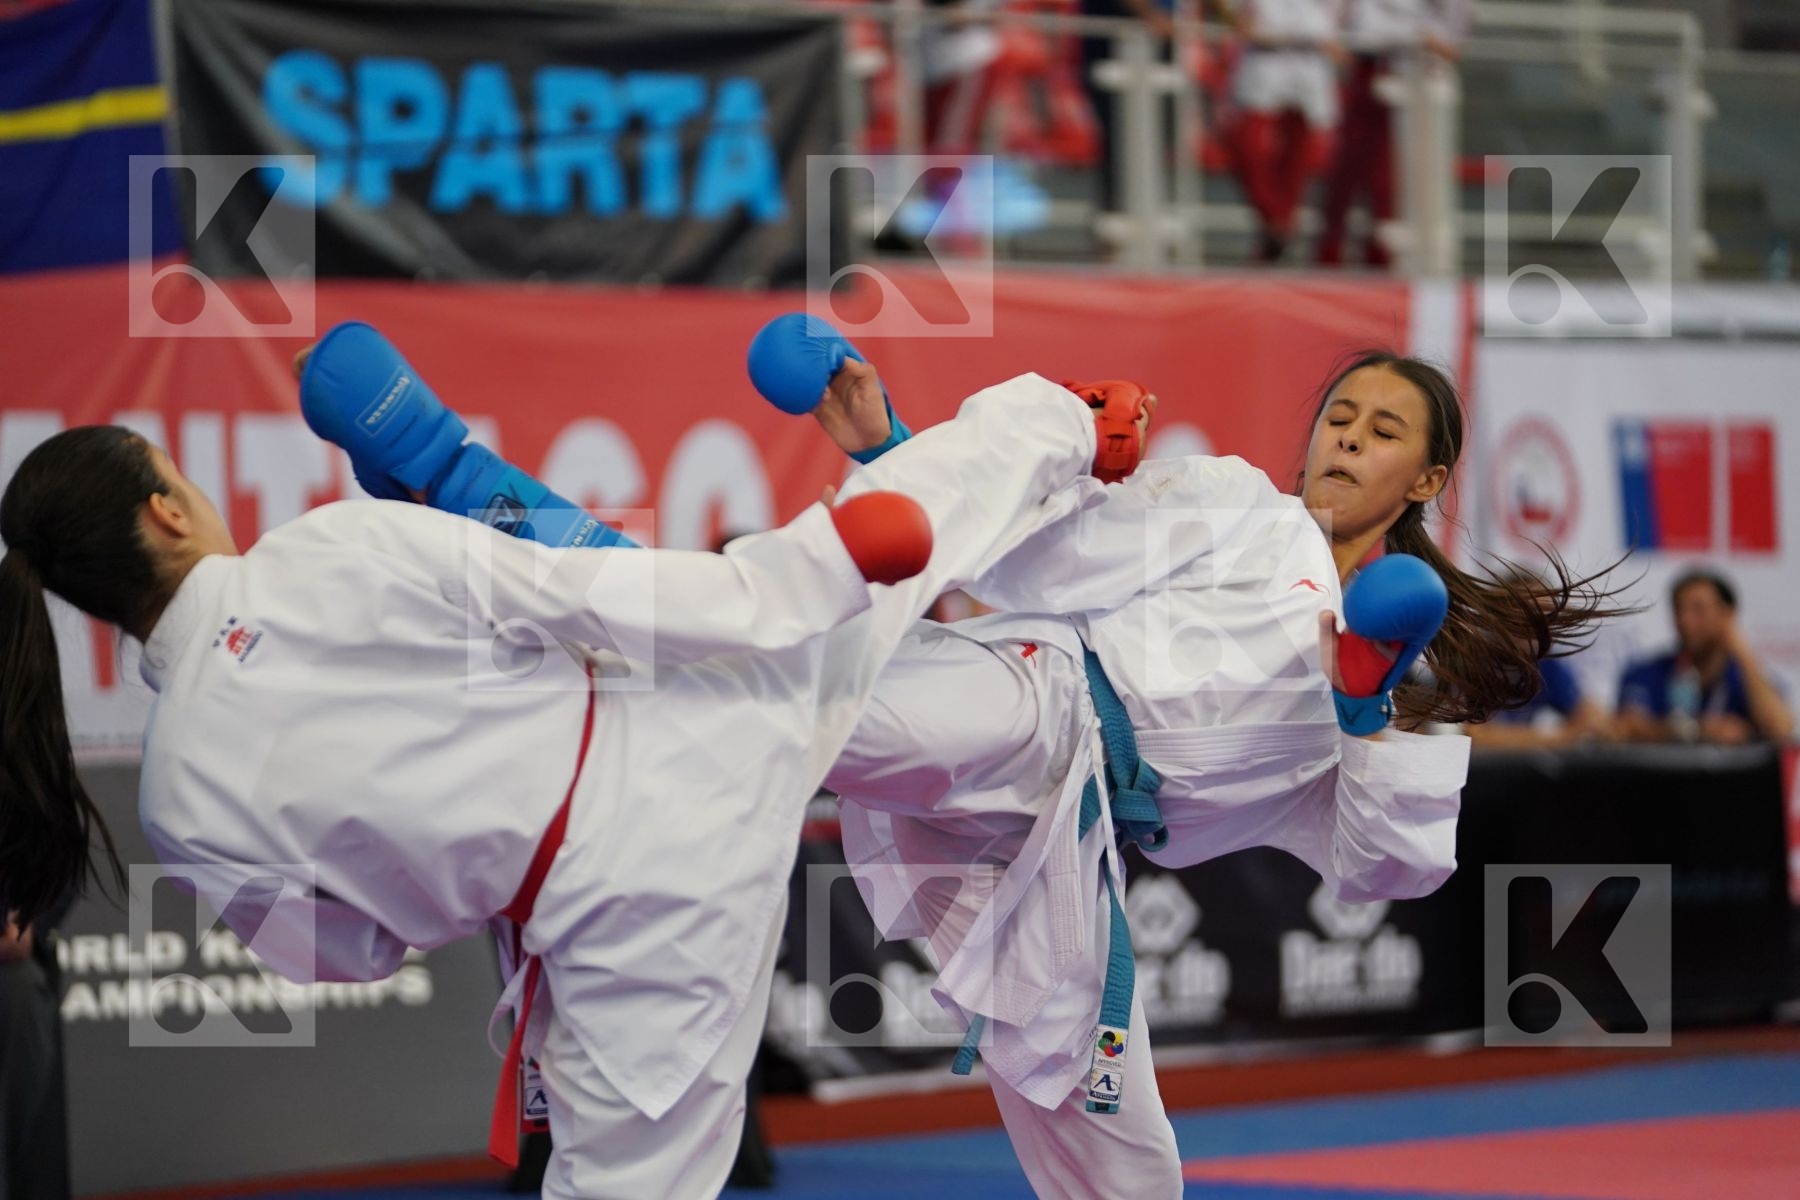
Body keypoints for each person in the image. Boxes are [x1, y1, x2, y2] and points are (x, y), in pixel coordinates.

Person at [344, 316, 1625, 1198]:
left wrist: (1366, 704)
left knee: (1129, 1170)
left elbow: (1390, 869)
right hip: (1033, 704)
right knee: (762, 675)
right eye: (1338, 414)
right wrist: (886, 443)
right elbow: (1040, 559)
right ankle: (477, 491)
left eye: (1381, 428)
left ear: (1430, 472)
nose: (1344, 437)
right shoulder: (1239, 504)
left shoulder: (1423, 653)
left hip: (1062, 872)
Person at [0, 343, 1139, 1199]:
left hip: (610, 930)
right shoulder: (317, 553)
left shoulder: (178, 793)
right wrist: (790, 584)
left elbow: (352, 952)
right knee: (894, 543)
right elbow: (569, 588)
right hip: (688, 731)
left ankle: (898, 587)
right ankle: (1069, 425)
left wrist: (459, 860)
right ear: (167, 507)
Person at [1315, 0, 1472, 267]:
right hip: (1368, 64)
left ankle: (1383, 258)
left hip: (1417, 72)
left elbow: (1455, 36)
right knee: (1346, 169)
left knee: (1394, 176)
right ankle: (1331, 253)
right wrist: (1332, 35)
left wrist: (1434, 42)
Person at [1614, 568, 1795, 745]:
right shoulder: (1648, 672)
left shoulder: (1745, 676)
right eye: (1679, 609)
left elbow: (1781, 729)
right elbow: (1627, 728)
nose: (1685, 620)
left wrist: (1742, 651)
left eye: (1698, 610)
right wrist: (1697, 730)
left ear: (1727, 615)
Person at [1225, 0, 1345, 262]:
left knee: (1297, 158)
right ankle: (1276, 222)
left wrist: (1339, 29)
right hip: (1264, 53)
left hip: (1311, 56)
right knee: (1244, 145)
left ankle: (1277, 234)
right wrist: (1234, 18)